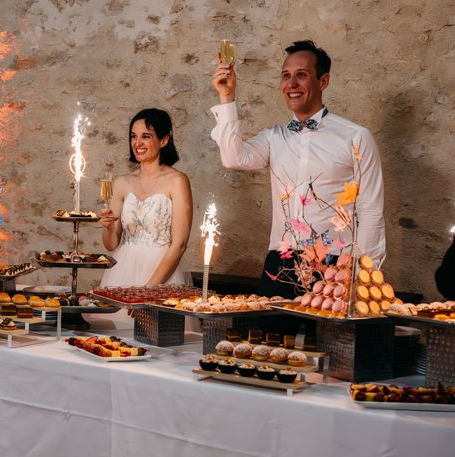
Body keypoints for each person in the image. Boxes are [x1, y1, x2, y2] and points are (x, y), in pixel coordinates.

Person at [210, 39, 385, 298]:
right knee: (268, 339)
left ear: (323, 81)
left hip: (335, 266)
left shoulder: (356, 137)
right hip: (281, 262)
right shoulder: (273, 136)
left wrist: (362, 275)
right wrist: (227, 97)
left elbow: (370, 210)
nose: (291, 84)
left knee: (327, 341)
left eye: (301, 75)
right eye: (286, 76)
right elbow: (234, 158)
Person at [99, 108, 193, 291]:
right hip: (121, 272)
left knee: (155, 319)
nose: (137, 143)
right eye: (133, 136)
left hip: (161, 275)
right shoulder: (121, 183)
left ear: (164, 140)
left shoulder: (177, 181)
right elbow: (111, 245)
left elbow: (180, 244)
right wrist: (108, 226)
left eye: (146, 136)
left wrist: (148, 290)